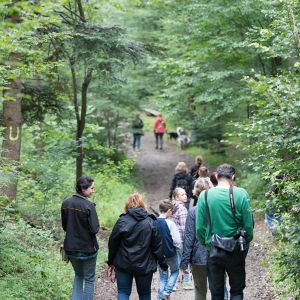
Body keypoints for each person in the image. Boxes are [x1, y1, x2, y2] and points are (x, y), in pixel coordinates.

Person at [196, 164, 254, 300]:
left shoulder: (205, 195)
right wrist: (247, 241)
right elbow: (248, 225)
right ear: (232, 177)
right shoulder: (241, 193)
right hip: (236, 249)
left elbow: (199, 227)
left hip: (214, 249)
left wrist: (206, 244)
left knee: (216, 293)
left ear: (216, 176)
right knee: (237, 291)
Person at [107, 193, 165, 300]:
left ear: (127, 205)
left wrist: (110, 262)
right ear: (143, 205)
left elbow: (113, 243)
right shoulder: (150, 222)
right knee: (145, 294)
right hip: (145, 265)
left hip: (123, 264)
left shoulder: (122, 221)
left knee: (123, 292)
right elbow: (157, 246)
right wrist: (163, 263)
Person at [61, 176, 100, 300]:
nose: (93, 191)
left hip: (70, 248)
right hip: (88, 249)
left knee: (78, 276)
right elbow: (95, 229)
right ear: (83, 189)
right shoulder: (89, 205)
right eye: (92, 188)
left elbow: (65, 226)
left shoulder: (66, 203)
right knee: (89, 279)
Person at [181, 178, 210, 300]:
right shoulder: (217, 209)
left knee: (200, 291)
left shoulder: (193, 211)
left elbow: (189, 237)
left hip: (198, 258)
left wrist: (184, 262)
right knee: (219, 289)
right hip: (218, 254)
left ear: (196, 192)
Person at [156, 200, 182, 300]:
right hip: (170, 253)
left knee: (163, 276)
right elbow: (177, 240)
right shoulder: (170, 223)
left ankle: (160, 297)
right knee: (175, 271)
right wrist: (178, 249)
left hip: (159, 254)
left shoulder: (154, 222)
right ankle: (167, 291)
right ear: (169, 210)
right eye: (172, 211)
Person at [171, 187, 193, 290]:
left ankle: (173, 284)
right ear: (176, 197)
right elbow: (185, 228)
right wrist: (189, 241)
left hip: (173, 239)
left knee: (175, 261)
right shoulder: (183, 209)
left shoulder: (172, 207)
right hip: (181, 239)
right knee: (185, 260)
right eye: (182, 195)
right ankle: (187, 282)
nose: (185, 196)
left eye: (185, 194)